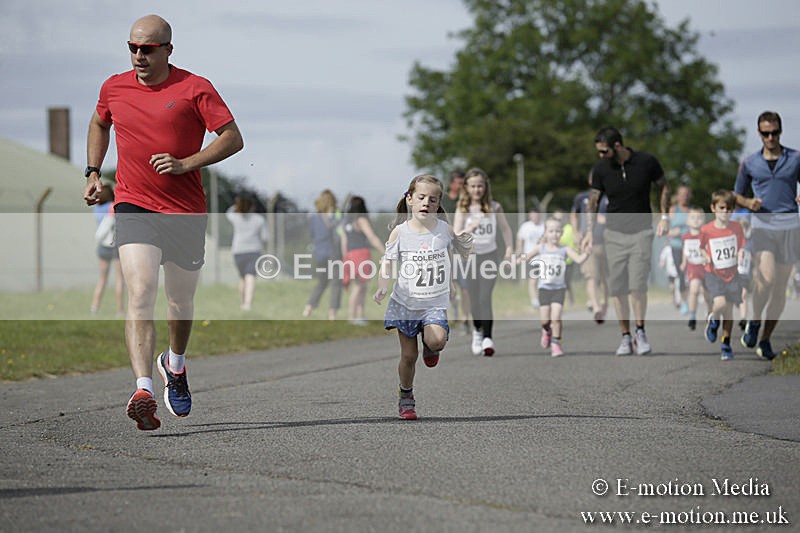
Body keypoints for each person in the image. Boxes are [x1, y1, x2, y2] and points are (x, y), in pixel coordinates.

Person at [82, 15, 244, 431]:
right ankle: (143, 389)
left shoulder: (195, 88)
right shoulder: (113, 87)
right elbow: (99, 122)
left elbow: (232, 137)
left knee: (179, 302)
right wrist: (93, 171)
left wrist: (186, 163)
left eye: (148, 49)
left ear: (168, 50)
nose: (139, 55)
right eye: (133, 47)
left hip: (185, 210)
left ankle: (175, 363)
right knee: (140, 291)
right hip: (134, 204)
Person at [374, 175, 472, 420]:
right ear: (410, 199)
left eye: (433, 199)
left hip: (433, 302)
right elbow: (387, 263)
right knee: (409, 356)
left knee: (437, 340)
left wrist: (450, 283)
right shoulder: (399, 233)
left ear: (438, 204)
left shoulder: (443, 230)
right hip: (405, 303)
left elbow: (448, 257)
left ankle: (430, 345)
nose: (426, 202)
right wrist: (383, 286)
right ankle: (406, 396)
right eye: (421, 197)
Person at [582, 126, 670, 356]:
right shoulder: (601, 169)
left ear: (617, 146)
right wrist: (590, 231)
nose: (601, 155)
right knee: (618, 288)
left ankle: (640, 332)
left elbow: (664, 187)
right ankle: (625, 336)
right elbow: (593, 201)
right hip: (613, 235)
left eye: (604, 151)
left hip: (641, 232)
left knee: (637, 285)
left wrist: (664, 217)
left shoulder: (646, 162)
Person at [734, 111, 800, 360]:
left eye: (774, 133)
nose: (770, 138)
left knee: (780, 288)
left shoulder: (795, 158)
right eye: (765, 133)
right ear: (759, 133)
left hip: (789, 228)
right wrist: (748, 202)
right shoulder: (750, 163)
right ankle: (754, 321)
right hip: (763, 227)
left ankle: (765, 339)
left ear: (780, 132)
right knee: (767, 279)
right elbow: (736, 194)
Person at [453, 167, 514, 356]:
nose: (477, 190)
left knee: (485, 297)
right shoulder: (463, 209)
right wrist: (470, 228)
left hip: (489, 256)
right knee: (474, 298)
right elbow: (456, 235)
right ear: (466, 188)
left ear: (485, 187)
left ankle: (488, 337)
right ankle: (477, 331)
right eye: (473, 186)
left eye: (480, 186)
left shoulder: (494, 207)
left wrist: (509, 249)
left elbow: (505, 229)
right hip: (470, 258)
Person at [519, 217, 588, 357]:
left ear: (561, 233)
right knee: (545, 320)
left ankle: (556, 344)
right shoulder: (541, 248)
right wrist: (514, 260)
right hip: (544, 289)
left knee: (556, 318)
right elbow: (527, 257)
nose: (554, 234)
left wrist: (587, 252)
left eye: (557, 231)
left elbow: (579, 259)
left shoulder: (565, 249)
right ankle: (546, 331)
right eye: (551, 231)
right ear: (545, 233)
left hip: (559, 289)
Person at [699, 190, 747, 361]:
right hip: (714, 273)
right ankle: (713, 320)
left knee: (729, 311)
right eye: (722, 208)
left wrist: (741, 253)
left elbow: (741, 245)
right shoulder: (706, 230)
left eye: (729, 209)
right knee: (720, 303)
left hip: (732, 273)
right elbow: (701, 247)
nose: (725, 212)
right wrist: (705, 256)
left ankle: (726, 343)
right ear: (713, 208)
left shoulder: (736, 227)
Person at [571, 175, 610, 323]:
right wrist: (575, 233)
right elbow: (574, 215)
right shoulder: (582, 198)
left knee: (604, 277)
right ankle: (595, 306)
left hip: (606, 242)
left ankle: (604, 303)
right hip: (588, 243)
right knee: (591, 276)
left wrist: (605, 220)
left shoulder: (608, 198)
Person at [341, 195, 385, 325]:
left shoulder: (346, 222)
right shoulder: (361, 220)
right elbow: (372, 237)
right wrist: (385, 252)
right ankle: (353, 316)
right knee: (359, 287)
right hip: (361, 255)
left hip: (350, 255)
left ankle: (360, 316)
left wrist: (345, 259)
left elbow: (344, 242)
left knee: (360, 287)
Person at [303, 189, 342, 320]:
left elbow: (312, 235)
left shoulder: (313, 217)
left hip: (319, 253)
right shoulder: (335, 216)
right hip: (333, 252)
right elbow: (339, 233)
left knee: (322, 282)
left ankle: (308, 308)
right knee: (336, 283)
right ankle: (332, 314)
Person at [226, 193, 268, 311]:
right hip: (254, 251)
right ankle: (248, 304)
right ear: (252, 206)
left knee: (242, 277)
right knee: (251, 277)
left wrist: (237, 205)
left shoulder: (236, 218)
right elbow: (265, 237)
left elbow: (228, 212)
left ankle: (243, 302)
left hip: (238, 251)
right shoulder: (259, 219)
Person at [441, 170, 472, 330]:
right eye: (459, 183)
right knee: (449, 286)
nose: (462, 186)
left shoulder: (468, 202)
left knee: (465, 286)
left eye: (463, 184)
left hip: (461, 249)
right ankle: (454, 308)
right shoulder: (443, 201)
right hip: (446, 247)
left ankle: (465, 319)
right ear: (452, 184)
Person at [90, 181, 125, 316]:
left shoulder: (96, 209)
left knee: (102, 279)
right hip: (115, 246)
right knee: (119, 279)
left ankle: (94, 307)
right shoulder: (112, 207)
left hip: (102, 246)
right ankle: (120, 310)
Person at [679, 206, 710, 330]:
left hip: (705, 267)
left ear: (703, 220)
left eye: (699, 217)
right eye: (693, 218)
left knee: (707, 294)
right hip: (693, 267)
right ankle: (692, 316)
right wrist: (683, 262)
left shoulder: (705, 236)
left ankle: (710, 314)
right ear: (687, 221)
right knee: (694, 289)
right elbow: (685, 250)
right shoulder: (685, 237)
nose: (696, 220)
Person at [668, 185, 692, 314]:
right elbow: (667, 231)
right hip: (677, 246)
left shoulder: (692, 211)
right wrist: (676, 232)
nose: (684, 197)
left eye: (686, 194)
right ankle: (684, 301)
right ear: (677, 196)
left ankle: (692, 299)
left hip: (690, 246)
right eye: (682, 194)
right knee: (681, 273)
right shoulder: (673, 210)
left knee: (692, 274)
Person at [515, 205, 545, 308]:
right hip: (531, 257)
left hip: (544, 258)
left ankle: (543, 299)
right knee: (533, 280)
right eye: (533, 215)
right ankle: (534, 301)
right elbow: (520, 240)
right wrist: (518, 252)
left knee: (543, 281)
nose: (535, 217)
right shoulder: (525, 226)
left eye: (536, 214)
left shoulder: (544, 226)